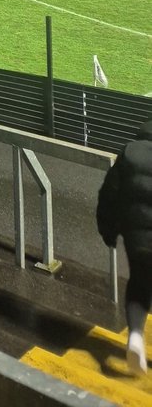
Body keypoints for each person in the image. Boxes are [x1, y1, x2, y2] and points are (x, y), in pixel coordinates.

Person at [96, 117, 152, 374]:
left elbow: (108, 194)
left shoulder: (130, 152)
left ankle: (136, 339)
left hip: (136, 239)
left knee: (139, 284)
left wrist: (108, 231)